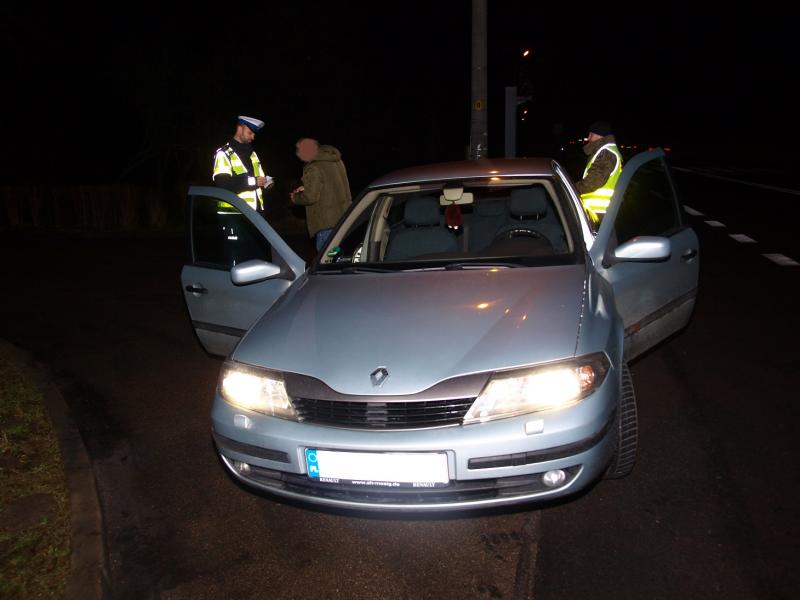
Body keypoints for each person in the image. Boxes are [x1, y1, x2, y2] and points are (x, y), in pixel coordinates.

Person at [290, 138, 352, 251]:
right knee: (340, 257)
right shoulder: (336, 161)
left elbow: (310, 197)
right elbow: (330, 184)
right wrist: (306, 187)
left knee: (326, 260)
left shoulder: (313, 167)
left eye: (300, 150)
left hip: (326, 223)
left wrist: (295, 198)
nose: (298, 154)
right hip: (344, 218)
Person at [212, 115, 274, 212]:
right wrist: (254, 182)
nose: (253, 137)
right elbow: (223, 185)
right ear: (240, 129)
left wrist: (267, 183)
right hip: (234, 214)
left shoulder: (253, 154)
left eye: (254, 134)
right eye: (250, 133)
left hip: (255, 213)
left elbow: (259, 180)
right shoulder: (223, 154)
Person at [574, 121, 623, 226]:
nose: (588, 138)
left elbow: (593, 182)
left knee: (604, 240)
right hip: (599, 211)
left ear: (598, 135)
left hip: (601, 211)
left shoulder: (607, 153)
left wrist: (572, 190)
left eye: (591, 134)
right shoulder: (603, 151)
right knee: (603, 240)